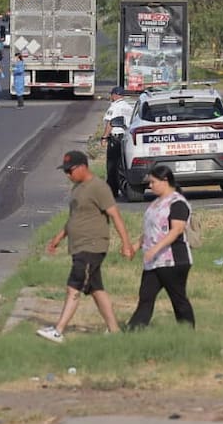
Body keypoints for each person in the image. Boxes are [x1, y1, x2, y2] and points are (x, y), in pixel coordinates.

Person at [37, 151, 135, 342]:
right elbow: (75, 217)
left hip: (92, 245)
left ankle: (58, 330)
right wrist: (59, 237)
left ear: (83, 167)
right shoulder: (77, 188)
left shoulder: (98, 187)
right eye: (65, 171)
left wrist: (126, 244)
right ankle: (114, 330)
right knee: (96, 288)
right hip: (78, 245)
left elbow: (115, 215)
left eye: (70, 170)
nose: (68, 175)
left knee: (74, 286)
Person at [128, 164, 195, 329]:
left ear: (165, 181)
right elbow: (152, 230)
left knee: (178, 298)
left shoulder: (177, 203)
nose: (150, 186)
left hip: (173, 260)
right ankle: (134, 330)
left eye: (153, 182)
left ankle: (187, 331)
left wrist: (155, 249)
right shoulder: (156, 203)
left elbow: (176, 230)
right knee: (146, 297)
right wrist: (136, 246)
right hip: (154, 262)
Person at [101, 86, 135, 196]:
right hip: (125, 138)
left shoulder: (115, 106)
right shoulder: (128, 107)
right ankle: (122, 187)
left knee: (112, 165)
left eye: (111, 95)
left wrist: (104, 137)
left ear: (115, 95)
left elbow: (110, 123)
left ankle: (112, 191)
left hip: (115, 138)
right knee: (121, 165)